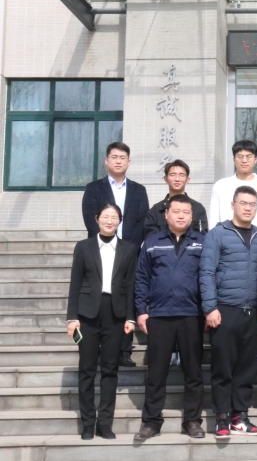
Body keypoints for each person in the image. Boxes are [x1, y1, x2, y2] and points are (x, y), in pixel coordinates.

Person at [133, 194, 206, 441]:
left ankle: (193, 421)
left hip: (192, 315)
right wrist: (141, 310)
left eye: (186, 212)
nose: (181, 216)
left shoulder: (202, 242)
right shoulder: (152, 242)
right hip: (160, 314)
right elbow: (141, 278)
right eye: (176, 211)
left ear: (192, 215)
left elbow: (209, 277)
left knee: (193, 372)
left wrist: (208, 309)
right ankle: (151, 422)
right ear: (166, 214)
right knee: (156, 372)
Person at [200, 186, 257, 440]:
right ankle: (222, 417)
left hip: (254, 312)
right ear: (232, 205)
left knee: (247, 368)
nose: (248, 208)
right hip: (225, 310)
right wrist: (210, 307)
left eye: (252, 204)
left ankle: (240, 417)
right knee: (223, 367)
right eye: (243, 203)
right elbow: (206, 272)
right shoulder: (217, 234)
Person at [66, 203, 137, 440]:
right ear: (97, 219)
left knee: (110, 369)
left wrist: (130, 317)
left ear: (120, 221)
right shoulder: (83, 247)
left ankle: (105, 423)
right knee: (86, 369)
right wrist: (72, 318)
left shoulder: (129, 249)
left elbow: (131, 285)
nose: (109, 221)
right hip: (87, 314)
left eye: (114, 217)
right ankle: (88, 423)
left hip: (115, 314)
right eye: (105, 216)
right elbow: (75, 283)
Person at [81, 142, 149, 368]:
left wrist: (130, 248)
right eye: (114, 157)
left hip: (129, 253)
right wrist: (102, 244)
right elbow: (90, 219)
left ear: (129, 162)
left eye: (122, 157)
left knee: (126, 297)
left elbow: (142, 221)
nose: (118, 161)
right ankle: (100, 347)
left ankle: (124, 351)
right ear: (106, 161)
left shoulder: (139, 190)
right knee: (102, 298)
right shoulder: (94, 188)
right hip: (100, 251)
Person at [208, 139, 257, 229]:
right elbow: (213, 217)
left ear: (255, 159)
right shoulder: (221, 186)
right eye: (240, 156)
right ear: (234, 159)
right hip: (225, 235)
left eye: (249, 156)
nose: (244, 160)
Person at [144, 159, 209, 237]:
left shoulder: (198, 208)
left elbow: (202, 237)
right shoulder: (155, 210)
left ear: (187, 180)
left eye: (182, 175)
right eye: (172, 175)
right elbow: (150, 238)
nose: (177, 179)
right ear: (166, 179)